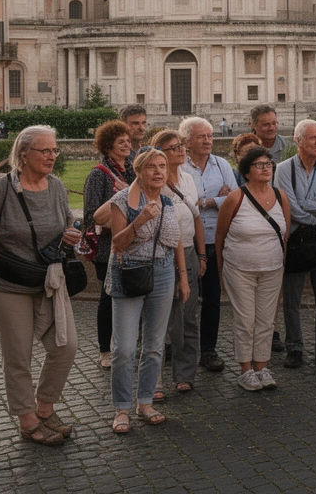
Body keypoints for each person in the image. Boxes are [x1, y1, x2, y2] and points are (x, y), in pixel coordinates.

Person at [0, 125, 81, 446]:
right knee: (18, 356)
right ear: (24, 155)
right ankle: (27, 420)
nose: (52, 156)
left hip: (48, 280)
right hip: (6, 284)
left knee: (66, 346)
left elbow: (66, 223)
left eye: (55, 150)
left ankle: (45, 408)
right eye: (45, 151)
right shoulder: (0, 189)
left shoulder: (56, 187)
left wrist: (70, 235)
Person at [104, 149, 190, 433]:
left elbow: (175, 240)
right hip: (130, 272)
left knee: (154, 346)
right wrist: (139, 219)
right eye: (151, 166)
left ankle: (145, 402)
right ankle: (121, 409)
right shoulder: (120, 202)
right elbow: (118, 244)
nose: (158, 171)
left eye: (162, 166)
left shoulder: (167, 201)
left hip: (164, 272)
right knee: (124, 349)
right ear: (139, 171)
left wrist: (183, 277)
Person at [215, 145, 290, 391]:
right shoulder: (236, 197)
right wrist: (220, 269)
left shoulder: (281, 197)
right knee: (246, 319)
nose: (265, 168)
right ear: (247, 171)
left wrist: (281, 264)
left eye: (268, 164)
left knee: (267, 320)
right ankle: (245, 369)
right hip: (239, 269)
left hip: (272, 268)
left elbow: (284, 235)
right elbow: (220, 235)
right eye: (259, 165)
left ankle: (262, 366)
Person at [275, 119, 316, 368]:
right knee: (291, 301)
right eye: (313, 138)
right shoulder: (283, 170)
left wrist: (305, 204)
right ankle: (294, 347)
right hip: (294, 243)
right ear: (298, 141)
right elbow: (289, 208)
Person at [178, 116, 236, 373]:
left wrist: (204, 202)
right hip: (186, 243)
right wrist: (216, 199)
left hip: (216, 240)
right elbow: (181, 204)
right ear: (187, 140)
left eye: (210, 136)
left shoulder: (222, 164)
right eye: (202, 136)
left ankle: (208, 350)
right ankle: (180, 347)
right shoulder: (180, 167)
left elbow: (234, 199)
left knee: (212, 298)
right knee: (183, 298)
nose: (208, 141)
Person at [152, 129, 206, 393]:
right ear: (160, 153)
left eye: (181, 145)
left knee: (187, 316)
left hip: (188, 251)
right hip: (161, 256)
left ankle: (185, 373)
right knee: (157, 319)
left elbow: (196, 217)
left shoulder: (188, 179)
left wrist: (201, 254)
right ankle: (154, 379)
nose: (181, 150)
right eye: (174, 148)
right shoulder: (152, 182)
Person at [83, 120, 133, 369]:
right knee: (107, 297)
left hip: (132, 245)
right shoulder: (98, 174)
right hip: (107, 246)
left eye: (128, 141)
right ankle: (105, 350)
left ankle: (125, 345)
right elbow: (92, 213)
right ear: (108, 144)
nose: (127, 145)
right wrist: (122, 198)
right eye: (121, 141)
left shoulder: (133, 170)